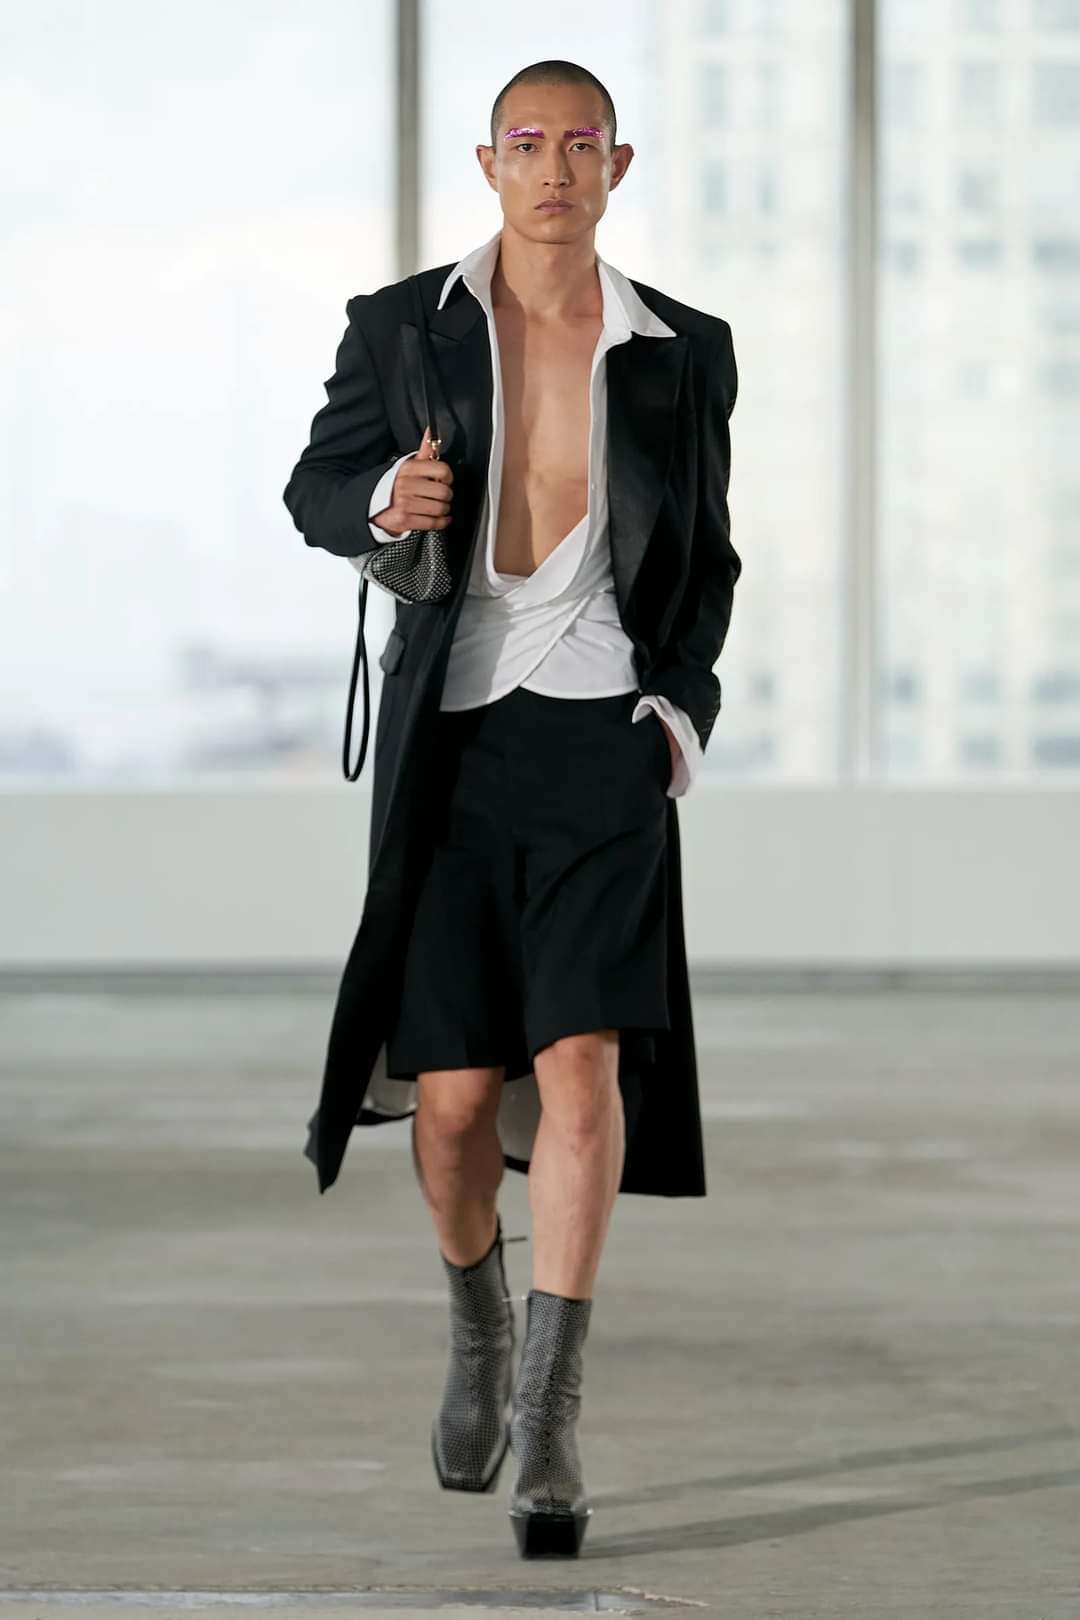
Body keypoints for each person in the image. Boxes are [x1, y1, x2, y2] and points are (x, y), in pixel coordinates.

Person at [282, 58, 739, 1560]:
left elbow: (708, 558)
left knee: (585, 1065)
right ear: (489, 164)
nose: (554, 169)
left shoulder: (682, 350)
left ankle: (550, 1413)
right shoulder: (402, 326)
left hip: (603, 744)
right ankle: (479, 1324)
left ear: (619, 165)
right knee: (459, 1099)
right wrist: (381, 506)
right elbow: (315, 488)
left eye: (580, 145)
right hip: (454, 751)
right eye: (527, 144)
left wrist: (675, 716)